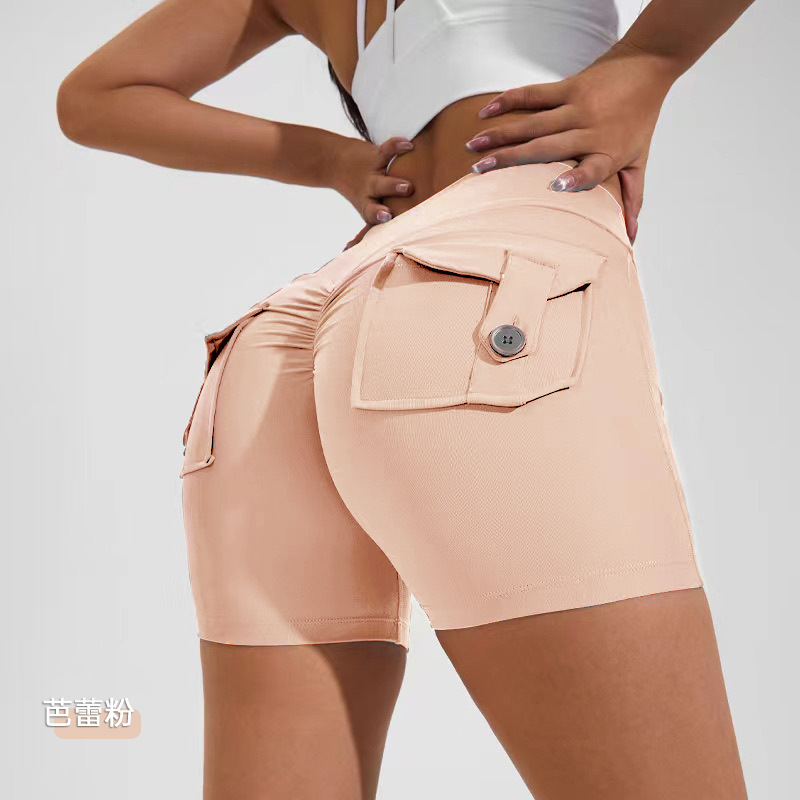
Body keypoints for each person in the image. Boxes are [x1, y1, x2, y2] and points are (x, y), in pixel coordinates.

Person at [57, 1, 755, 797]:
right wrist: (650, 60)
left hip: (287, 343)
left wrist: (331, 159)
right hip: (489, 293)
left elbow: (94, 97)